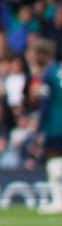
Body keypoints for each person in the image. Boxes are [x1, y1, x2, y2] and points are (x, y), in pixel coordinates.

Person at [30, 38, 62, 214]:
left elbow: (45, 103)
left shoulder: (48, 74)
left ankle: (58, 201)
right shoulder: (59, 70)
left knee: (54, 159)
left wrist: (39, 127)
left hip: (56, 124)